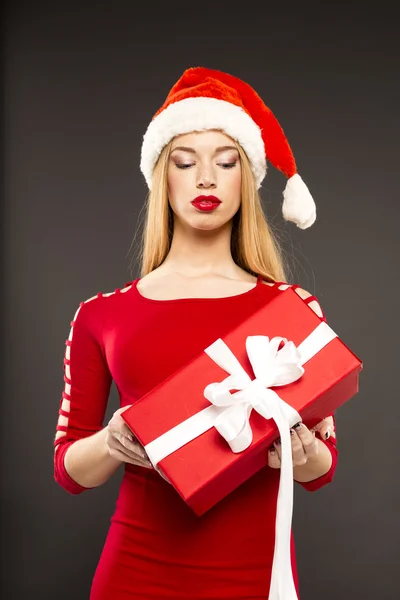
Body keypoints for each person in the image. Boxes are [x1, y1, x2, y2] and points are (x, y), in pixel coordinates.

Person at [54, 67, 338, 599]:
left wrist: (302, 454)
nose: (206, 178)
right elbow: (70, 470)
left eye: (225, 162)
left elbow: (322, 469)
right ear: (164, 177)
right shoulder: (101, 315)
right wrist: (112, 441)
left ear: (245, 180)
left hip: (256, 575)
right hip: (135, 574)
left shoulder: (291, 310)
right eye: (186, 162)